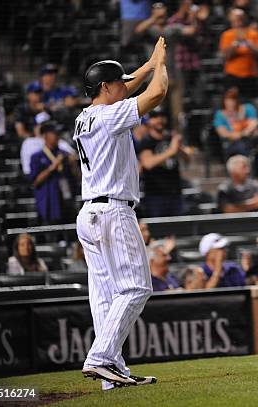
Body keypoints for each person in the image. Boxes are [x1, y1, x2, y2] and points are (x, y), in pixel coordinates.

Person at [74, 37, 169, 388]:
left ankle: (110, 373)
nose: (125, 87)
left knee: (104, 297)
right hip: (113, 212)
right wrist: (160, 64)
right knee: (136, 289)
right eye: (119, 83)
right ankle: (100, 359)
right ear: (104, 87)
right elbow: (156, 94)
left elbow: (129, 87)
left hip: (90, 213)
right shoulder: (110, 115)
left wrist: (147, 63)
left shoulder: (86, 116)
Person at [137, 110, 191, 217]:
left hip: (175, 192)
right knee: (158, 230)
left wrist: (179, 148)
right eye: (155, 117)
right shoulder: (146, 141)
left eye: (162, 116)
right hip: (155, 195)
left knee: (178, 229)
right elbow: (148, 163)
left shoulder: (171, 138)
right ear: (149, 121)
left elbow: (187, 159)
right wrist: (171, 151)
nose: (159, 120)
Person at [29, 122, 77, 224]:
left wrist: (74, 165)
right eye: (55, 133)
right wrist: (52, 167)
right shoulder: (37, 157)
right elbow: (36, 182)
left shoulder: (64, 154)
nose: (57, 136)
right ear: (46, 135)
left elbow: (77, 177)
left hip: (67, 200)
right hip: (49, 202)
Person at [219, 8, 258, 99]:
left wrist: (248, 43)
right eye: (235, 19)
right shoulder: (227, 35)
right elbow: (225, 56)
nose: (238, 22)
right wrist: (236, 44)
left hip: (250, 75)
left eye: (240, 18)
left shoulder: (253, 34)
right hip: (233, 75)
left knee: (251, 101)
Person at [213, 87, 258, 158]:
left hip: (251, 139)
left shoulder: (248, 108)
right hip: (232, 142)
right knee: (241, 146)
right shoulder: (220, 114)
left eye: (233, 100)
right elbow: (223, 133)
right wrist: (241, 134)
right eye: (228, 100)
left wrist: (245, 131)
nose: (230, 103)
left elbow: (254, 123)